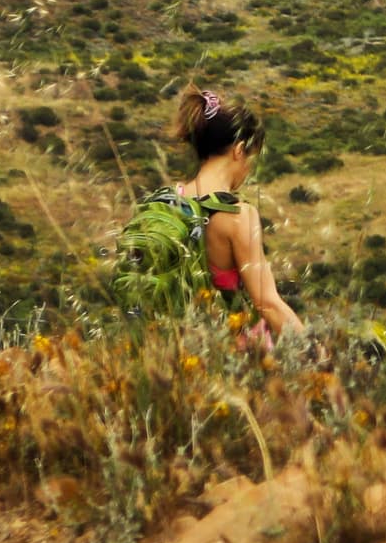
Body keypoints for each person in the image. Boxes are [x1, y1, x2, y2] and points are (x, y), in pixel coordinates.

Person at [115, 89, 303, 352]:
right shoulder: (238, 215)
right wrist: (319, 357)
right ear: (239, 151)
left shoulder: (167, 202)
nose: (248, 169)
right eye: (250, 158)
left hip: (173, 355)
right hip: (227, 361)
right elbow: (267, 303)